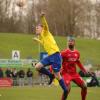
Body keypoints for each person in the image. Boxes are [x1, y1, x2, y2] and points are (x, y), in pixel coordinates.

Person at [32, 12, 68, 99]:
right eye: (36, 28)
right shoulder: (42, 36)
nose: (36, 29)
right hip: (50, 56)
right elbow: (45, 43)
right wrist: (38, 41)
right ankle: (50, 75)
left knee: (58, 75)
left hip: (56, 56)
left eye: (37, 28)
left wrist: (43, 17)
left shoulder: (45, 32)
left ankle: (65, 90)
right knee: (37, 67)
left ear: (42, 28)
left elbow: (46, 25)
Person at [61, 36, 88, 100]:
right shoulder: (63, 53)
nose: (70, 42)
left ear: (74, 43)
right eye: (69, 41)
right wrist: (53, 69)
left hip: (74, 74)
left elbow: (78, 62)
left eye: (71, 41)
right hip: (66, 74)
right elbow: (57, 60)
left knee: (84, 86)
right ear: (67, 43)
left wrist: (84, 70)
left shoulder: (77, 53)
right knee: (67, 89)